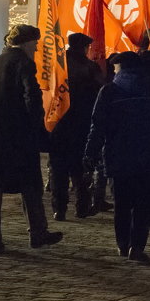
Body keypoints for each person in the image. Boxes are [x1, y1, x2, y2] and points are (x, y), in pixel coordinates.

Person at [0, 25, 63, 254]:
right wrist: (37, 128)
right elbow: (32, 97)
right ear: (27, 43)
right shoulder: (23, 63)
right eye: (36, 44)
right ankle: (37, 232)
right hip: (16, 134)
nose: (37, 48)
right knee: (30, 184)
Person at [86, 51, 150, 262]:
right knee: (142, 204)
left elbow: (98, 126)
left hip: (119, 156)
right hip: (149, 155)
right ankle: (137, 246)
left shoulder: (110, 90)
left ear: (120, 68)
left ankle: (123, 245)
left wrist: (90, 152)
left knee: (122, 204)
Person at [49, 33, 104, 221]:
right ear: (84, 47)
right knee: (81, 168)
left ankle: (59, 208)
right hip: (82, 123)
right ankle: (81, 206)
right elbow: (101, 91)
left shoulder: (57, 67)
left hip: (59, 123)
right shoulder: (90, 68)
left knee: (59, 169)